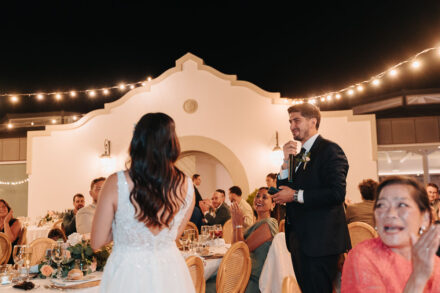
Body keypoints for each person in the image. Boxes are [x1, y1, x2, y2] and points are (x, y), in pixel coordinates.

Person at [91, 112, 195, 293]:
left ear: (137, 141)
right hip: (170, 270)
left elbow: (97, 242)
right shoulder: (187, 185)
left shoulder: (116, 182)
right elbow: (173, 235)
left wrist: (123, 227)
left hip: (128, 272)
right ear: (172, 143)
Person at [272, 103, 351, 292]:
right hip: (299, 240)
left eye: (297, 120)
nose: (292, 126)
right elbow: (285, 188)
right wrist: (286, 161)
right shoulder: (298, 156)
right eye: (290, 121)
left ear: (313, 121)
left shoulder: (330, 150)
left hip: (321, 242)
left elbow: (337, 193)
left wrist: (295, 195)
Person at [341, 176, 440, 292]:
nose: (390, 214)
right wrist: (417, 280)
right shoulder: (363, 256)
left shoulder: (433, 263)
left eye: (402, 205)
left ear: (425, 218)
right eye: (381, 205)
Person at [206, 187, 278, 293]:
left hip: (252, 280)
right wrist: (236, 225)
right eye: (257, 196)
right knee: (208, 281)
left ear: (273, 205)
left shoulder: (269, 223)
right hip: (242, 272)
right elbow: (235, 249)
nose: (259, 199)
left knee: (208, 286)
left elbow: (241, 251)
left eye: (264, 197)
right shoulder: (256, 223)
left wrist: (238, 225)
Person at [0, 199, 21, 264]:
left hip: (9, 255)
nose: (1, 209)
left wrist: (6, 222)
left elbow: (9, 240)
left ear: (8, 208)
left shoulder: (16, 222)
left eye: (4, 206)